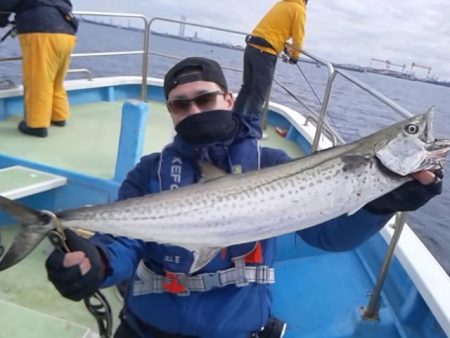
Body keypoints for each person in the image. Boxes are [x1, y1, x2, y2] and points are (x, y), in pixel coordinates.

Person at [44, 57, 443, 338]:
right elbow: (125, 240)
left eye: (205, 98)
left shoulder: (270, 161)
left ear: (229, 99)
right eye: (181, 104)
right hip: (147, 328)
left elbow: (328, 236)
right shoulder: (149, 172)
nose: (195, 109)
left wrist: (380, 204)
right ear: (170, 112)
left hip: (235, 330)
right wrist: (99, 261)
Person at [0, 0, 77, 138]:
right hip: (67, 33)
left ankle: (36, 125)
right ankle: (59, 116)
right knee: (56, 80)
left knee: (38, 80)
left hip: (42, 32)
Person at [233, 0, 307, 136]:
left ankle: (233, 122)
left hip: (251, 48)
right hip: (264, 52)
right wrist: (295, 57)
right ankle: (248, 133)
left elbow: (273, 30)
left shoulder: (282, 3)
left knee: (247, 88)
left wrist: (282, 45)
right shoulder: (299, 9)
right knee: (259, 94)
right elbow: (298, 37)